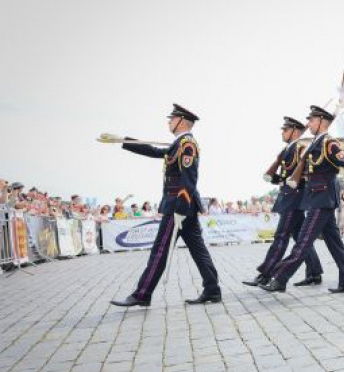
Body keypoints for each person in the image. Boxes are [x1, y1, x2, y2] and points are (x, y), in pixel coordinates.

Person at [111, 103, 221, 307]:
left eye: (172, 119)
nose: (169, 122)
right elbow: (155, 151)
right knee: (198, 250)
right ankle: (212, 290)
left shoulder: (187, 144)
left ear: (182, 121)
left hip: (178, 206)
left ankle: (142, 294)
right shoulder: (179, 143)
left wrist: (180, 209)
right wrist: (123, 141)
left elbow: (189, 179)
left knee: (160, 250)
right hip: (182, 206)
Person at [260, 105, 344, 294]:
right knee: (335, 245)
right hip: (317, 198)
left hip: (322, 199)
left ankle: (280, 278)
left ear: (322, 121)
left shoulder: (329, 144)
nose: (309, 123)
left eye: (312, 120)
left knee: (303, 241)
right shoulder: (316, 143)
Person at [243, 116, 323, 288]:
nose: (282, 133)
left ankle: (265, 275)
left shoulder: (301, 149)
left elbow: (305, 174)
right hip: (288, 197)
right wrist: (274, 177)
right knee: (300, 238)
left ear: (294, 131)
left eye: (285, 130)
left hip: (294, 199)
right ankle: (314, 273)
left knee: (281, 237)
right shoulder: (288, 149)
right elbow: (286, 175)